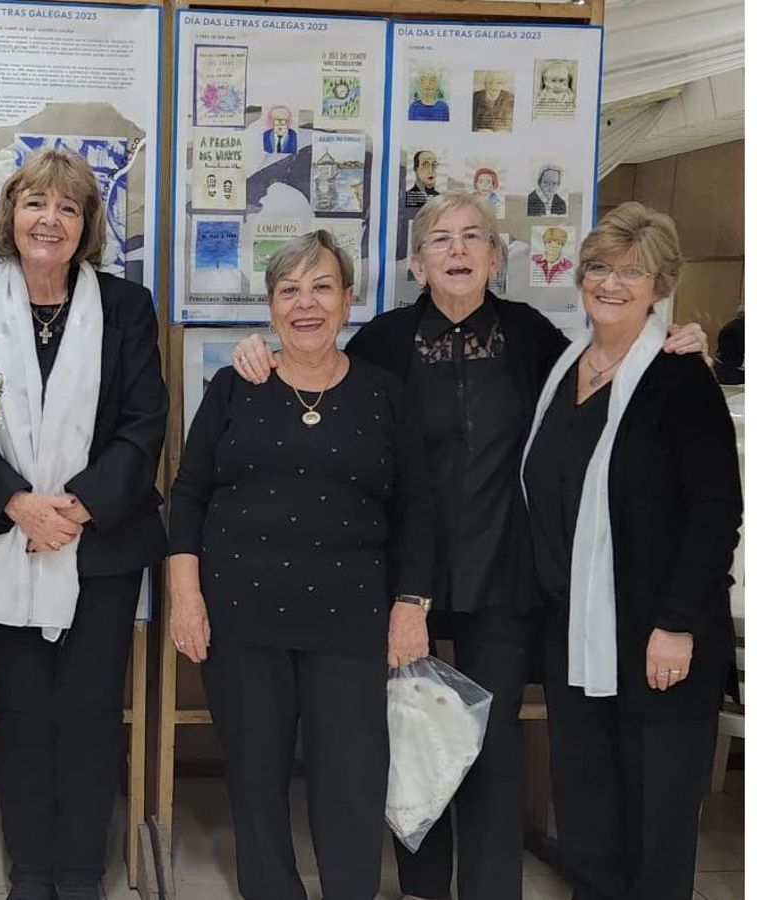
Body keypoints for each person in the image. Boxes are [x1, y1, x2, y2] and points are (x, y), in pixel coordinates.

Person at [229, 193, 708, 900]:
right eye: (441, 240)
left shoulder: (535, 337)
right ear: (418, 263)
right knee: (410, 731)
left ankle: (490, 888)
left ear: (494, 257)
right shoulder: (384, 340)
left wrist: (672, 337)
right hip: (399, 580)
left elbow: (613, 371)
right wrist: (259, 351)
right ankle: (424, 884)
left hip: (501, 576)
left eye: (473, 238)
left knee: (490, 746)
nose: (457, 251)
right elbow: (320, 380)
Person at [169, 230, 434, 900]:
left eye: (321, 287)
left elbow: (420, 507)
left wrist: (412, 604)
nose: (305, 303)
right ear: (271, 306)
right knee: (255, 784)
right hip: (240, 619)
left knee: (352, 779)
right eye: (289, 290)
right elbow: (189, 492)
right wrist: (186, 596)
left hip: (351, 623)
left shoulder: (384, 394)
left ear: (348, 301)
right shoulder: (234, 387)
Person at [0, 148, 166, 899]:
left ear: (87, 227)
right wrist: (17, 504)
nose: (51, 219)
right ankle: (31, 872)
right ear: (11, 216)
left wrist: (74, 507)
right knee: (25, 714)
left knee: (92, 713)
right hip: (9, 540)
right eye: (36, 202)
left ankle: (80, 874)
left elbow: (144, 424)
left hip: (98, 545)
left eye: (69, 208)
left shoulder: (128, 309)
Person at [521, 202, 740, 900]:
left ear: (660, 285)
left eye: (633, 273)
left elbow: (716, 513)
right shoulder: (564, 370)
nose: (612, 284)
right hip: (576, 633)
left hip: (657, 639)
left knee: (655, 816)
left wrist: (675, 624)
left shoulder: (681, 379)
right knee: (586, 803)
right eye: (600, 268)